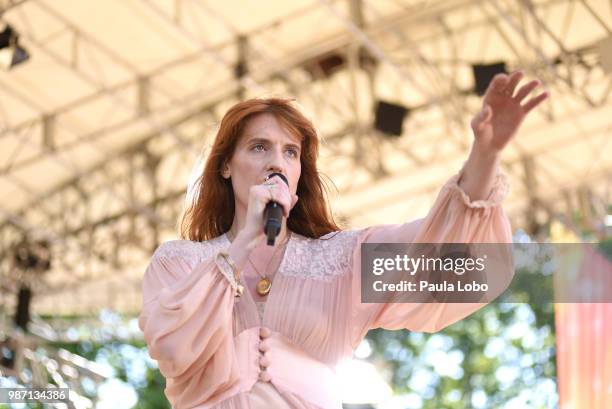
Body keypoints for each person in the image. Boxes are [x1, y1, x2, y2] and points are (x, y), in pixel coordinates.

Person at [138, 71, 548, 408]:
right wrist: (244, 242)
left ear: (299, 173)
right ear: (226, 166)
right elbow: (174, 350)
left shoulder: (341, 261)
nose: (276, 163)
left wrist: (486, 153)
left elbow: (442, 257)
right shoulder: (180, 264)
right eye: (259, 147)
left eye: (290, 152)